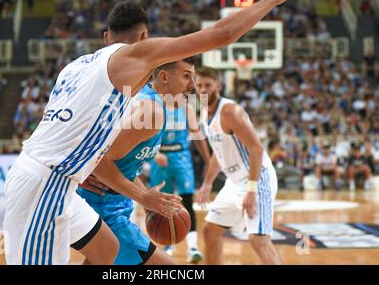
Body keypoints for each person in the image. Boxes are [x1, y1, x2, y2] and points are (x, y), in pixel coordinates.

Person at [3, 0, 299, 265]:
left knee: (106, 250)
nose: (193, 86)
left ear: (107, 37)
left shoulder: (78, 66)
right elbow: (222, 34)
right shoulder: (134, 66)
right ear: (145, 37)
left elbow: (67, 130)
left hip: (55, 178)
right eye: (186, 76)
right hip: (46, 184)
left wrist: (88, 167)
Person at [78, 58, 196, 265]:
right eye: (187, 76)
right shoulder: (151, 111)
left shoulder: (147, 101)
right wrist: (144, 198)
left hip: (113, 202)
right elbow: (99, 160)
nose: (193, 85)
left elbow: (120, 166)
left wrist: (151, 203)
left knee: (99, 261)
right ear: (164, 77)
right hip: (102, 206)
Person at [195, 66, 281, 265]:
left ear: (219, 85)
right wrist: (207, 183)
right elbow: (219, 152)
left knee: (259, 240)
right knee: (210, 230)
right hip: (234, 183)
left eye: (208, 85)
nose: (203, 90)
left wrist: (251, 190)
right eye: (199, 85)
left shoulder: (230, 111)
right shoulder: (204, 113)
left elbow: (257, 149)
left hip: (257, 179)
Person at [149, 97, 210, 262]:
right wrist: (154, 154)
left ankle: (193, 248)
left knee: (188, 201)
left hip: (181, 156)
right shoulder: (154, 105)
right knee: (162, 204)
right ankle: (168, 245)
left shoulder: (186, 108)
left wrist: (208, 160)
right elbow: (143, 138)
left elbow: (198, 136)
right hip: (160, 156)